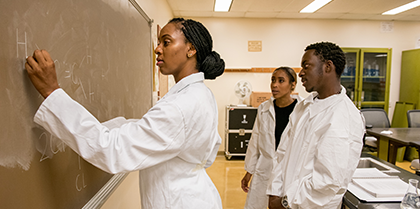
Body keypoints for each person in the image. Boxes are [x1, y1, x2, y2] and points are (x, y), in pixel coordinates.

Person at [25, 18, 225, 209]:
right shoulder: (201, 94)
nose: (157, 49)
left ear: (191, 49)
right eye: (158, 42)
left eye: (166, 42)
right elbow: (202, 150)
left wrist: (52, 93)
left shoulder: (181, 105)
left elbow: (112, 150)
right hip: (196, 195)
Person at [266, 42, 365, 209]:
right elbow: (282, 154)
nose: (301, 73)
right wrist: (275, 192)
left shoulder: (343, 116)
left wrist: (286, 202)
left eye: (306, 66)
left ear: (327, 67)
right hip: (285, 199)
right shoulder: (304, 106)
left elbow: (328, 182)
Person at [241, 67, 302, 209]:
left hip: (289, 172)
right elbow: (255, 141)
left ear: (293, 85)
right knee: (258, 204)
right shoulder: (263, 109)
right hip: (265, 169)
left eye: (281, 81)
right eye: (273, 80)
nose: (274, 85)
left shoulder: (302, 110)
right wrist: (249, 172)